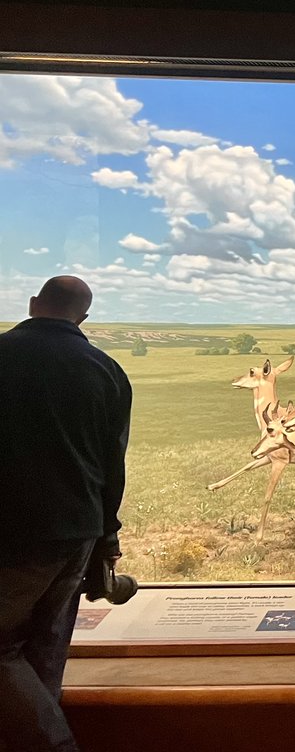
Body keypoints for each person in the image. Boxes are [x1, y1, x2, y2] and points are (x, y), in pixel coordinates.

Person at [0, 277, 131, 752]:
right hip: (77, 532)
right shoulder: (106, 370)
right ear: (83, 318)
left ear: (33, 305)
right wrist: (107, 538)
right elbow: (110, 468)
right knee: (46, 649)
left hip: (11, 534)